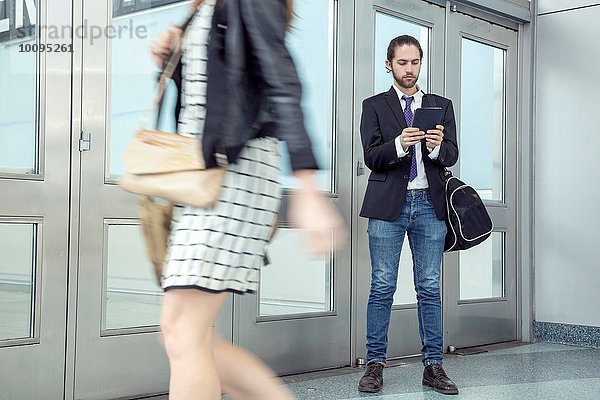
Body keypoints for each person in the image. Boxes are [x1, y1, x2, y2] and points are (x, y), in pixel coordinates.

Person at [150, 0, 344, 399]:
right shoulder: (206, 5)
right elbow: (216, 97)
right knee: (181, 331)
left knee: (184, 331)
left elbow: (282, 80)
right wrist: (174, 60)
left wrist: (307, 187)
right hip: (204, 180)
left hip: (236, 178)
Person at [357, 35, 459, 395]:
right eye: (402, 62)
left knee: (429, 288)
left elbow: (452, 154)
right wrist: (401, 142)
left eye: (415, 62)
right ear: (389, 64)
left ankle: (433, 367)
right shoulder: (374, 105)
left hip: (430, 207)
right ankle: (374, 366)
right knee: (382, 286)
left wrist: (434, 149)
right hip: (388, 207)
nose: (409, 69)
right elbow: (372, 157)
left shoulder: (440, 105)